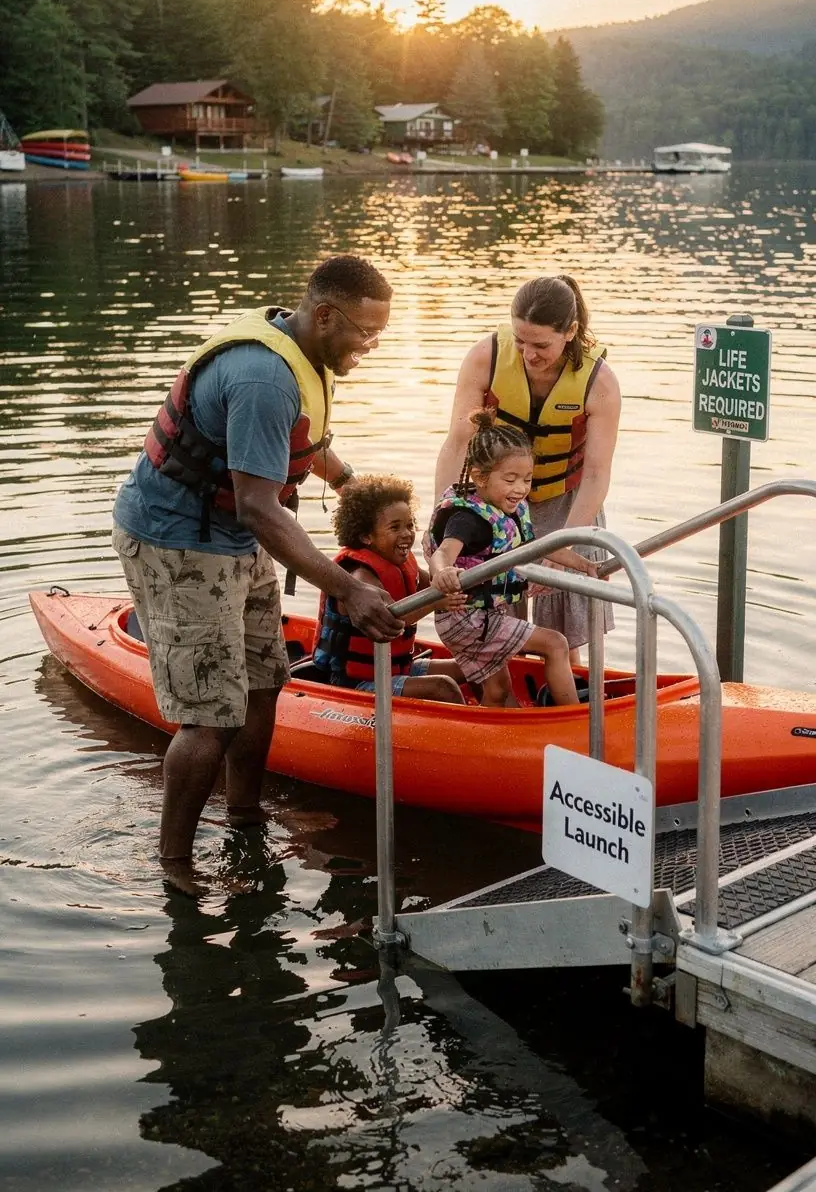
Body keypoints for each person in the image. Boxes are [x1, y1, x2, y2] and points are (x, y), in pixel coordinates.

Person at [111, 255, 404, 890]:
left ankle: (244, 817)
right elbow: (258, 506)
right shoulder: (263, 380)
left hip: (236, 538)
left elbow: (307, 443)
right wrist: (348, 588)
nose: (369, 346)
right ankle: (175, 864)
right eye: (364, 332)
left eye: (379, 335)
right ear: (324, 314)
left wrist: (354, 484)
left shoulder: (302, 353)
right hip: (179, 543)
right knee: (211, 714)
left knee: (264, 681)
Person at [434, 275, 620, 651]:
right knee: (495, 619)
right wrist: (445, 513)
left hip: (565, 502)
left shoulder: (600, 383)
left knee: (566, 630)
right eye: (520, 341)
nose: (528, 354)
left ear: (570, 331)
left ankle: (565, 699)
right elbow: (457, 442)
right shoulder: (485, 357)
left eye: (541, 344)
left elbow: (598, 473)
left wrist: (566, 544)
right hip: (490, 502)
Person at [428, 411, 580, 707]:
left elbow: (534, 546)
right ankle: (573, 720)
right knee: (555, 644)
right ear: (480, 478)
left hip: (483, 614)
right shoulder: (468, 519)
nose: (521, 489)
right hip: (466, 618)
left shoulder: (505, 509)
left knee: (499, 689)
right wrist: (443, 572)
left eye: (527, 479)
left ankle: (488, 736)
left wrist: (586, 566)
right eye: (510, 479)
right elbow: (443, 553)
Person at [313, 474, 466, 703]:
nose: (406, 534)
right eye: (395, 527)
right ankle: (469, 734)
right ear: (366, 536)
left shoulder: (402, 564)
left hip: (397, 667)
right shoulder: (360, 576)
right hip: (357, 683)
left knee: (468, 667)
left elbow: (430, 585)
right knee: (443, 687)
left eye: (409, 525)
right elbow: (391, 618)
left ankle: (492, 714)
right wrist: (437, 602)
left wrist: (451, 576)